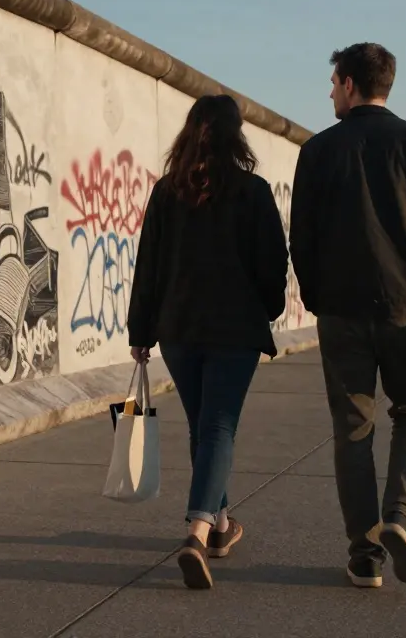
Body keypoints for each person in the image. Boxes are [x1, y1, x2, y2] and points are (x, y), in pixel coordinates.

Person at [289, 43, 406, 590]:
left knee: (353, 431)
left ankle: (364, 557)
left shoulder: (318, 152)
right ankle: (401, 518)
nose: (329, 91)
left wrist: (319, 297)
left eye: (332, 82)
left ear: (350, 84)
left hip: (342, 315)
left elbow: (300, 239)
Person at [126, 93, 289, 590]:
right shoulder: (254, 192)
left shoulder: (166, 193)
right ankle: (196, 532)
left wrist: (141, 331)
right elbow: (273, 265)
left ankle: (220, 527)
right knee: (218, 426)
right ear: (235, 135)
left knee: (202, 427)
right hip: (234, 330)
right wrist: (267, 309)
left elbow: (147, 266)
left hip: (178, 329)